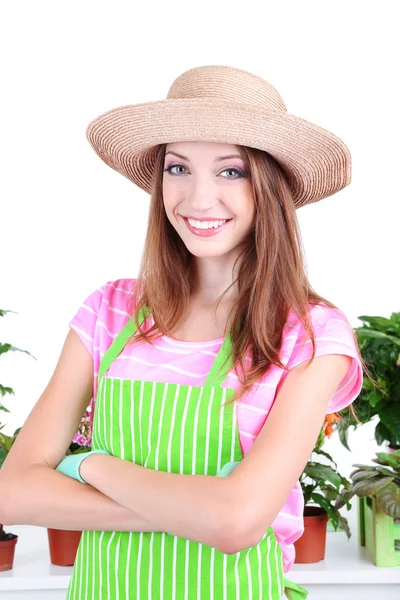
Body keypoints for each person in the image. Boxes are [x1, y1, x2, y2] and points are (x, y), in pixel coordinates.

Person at [1, 65, 365, 599]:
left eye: (230, 172)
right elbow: (12, 491)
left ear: (271, 187)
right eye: (178, 168)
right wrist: (196, 513)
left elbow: (236, 523)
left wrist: (87, 465)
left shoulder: (310, 337)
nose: (197, 199)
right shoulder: (110, 312)